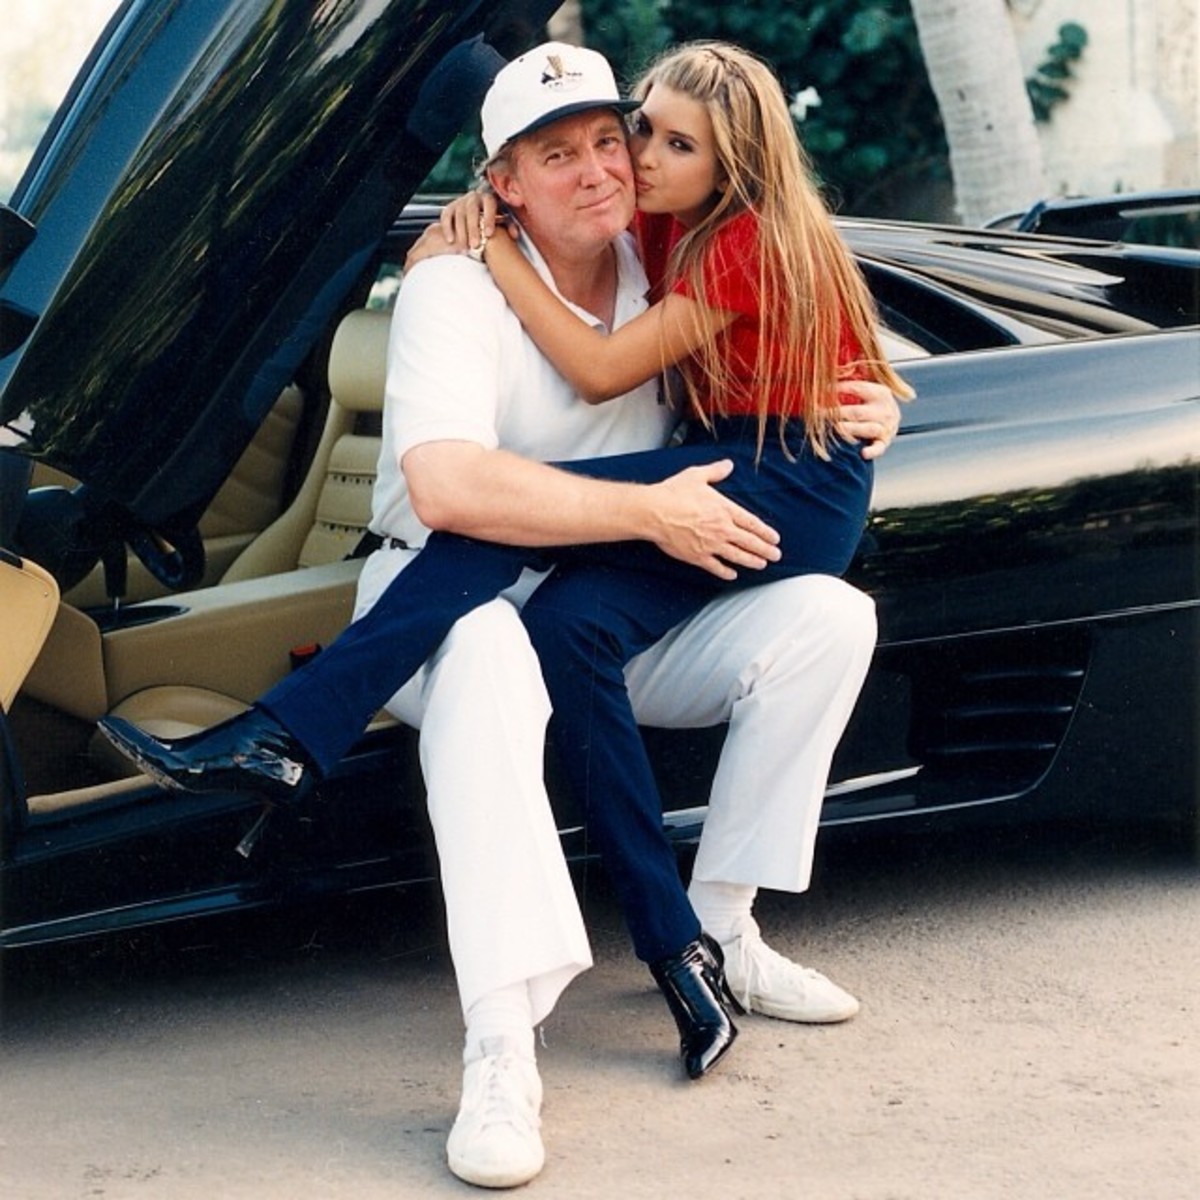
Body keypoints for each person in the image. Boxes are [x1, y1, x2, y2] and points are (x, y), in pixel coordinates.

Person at [100, 41, 902, 1189]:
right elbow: (448, 491)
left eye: (610, 140)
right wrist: (650, 510)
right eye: (555, 154)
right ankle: (502, 1045)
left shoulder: (663, 252)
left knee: (827, 614)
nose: (601, 169)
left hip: (594, 600)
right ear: (503, 182)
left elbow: (779, 345)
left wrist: (870, 407)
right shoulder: (450, 284)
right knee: (484, 646)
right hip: (438, 603)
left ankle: (725, 930)